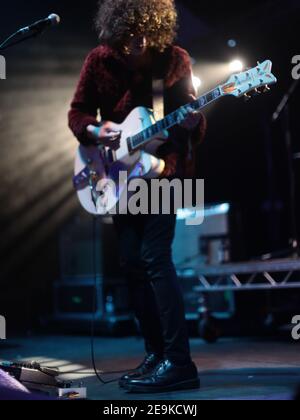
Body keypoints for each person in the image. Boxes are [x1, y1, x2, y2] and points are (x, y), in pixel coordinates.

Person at [68, 0, 206, 393]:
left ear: (157, 27)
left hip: (164, 172)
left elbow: (190, 127)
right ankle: (156, 354)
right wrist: (98, 132)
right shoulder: (99, 60)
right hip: (119, 177)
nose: (137, 41)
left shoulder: (175, 60)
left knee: (156, 259)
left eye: (145, 33)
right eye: (129, 34)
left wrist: (193, 123)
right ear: (116, 31)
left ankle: (180, 362)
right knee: (131, 264)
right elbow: (77, 114)